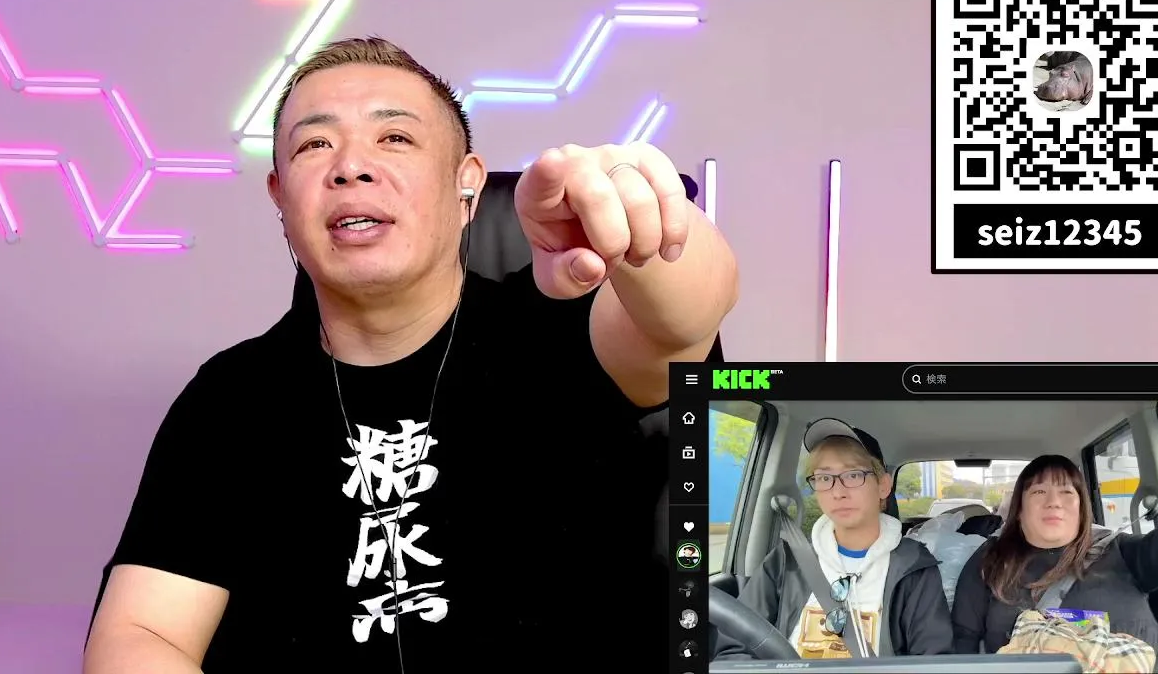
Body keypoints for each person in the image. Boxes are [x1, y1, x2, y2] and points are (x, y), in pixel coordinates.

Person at [82, 37, 738, 674]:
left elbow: (684, 319)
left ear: (466, 186)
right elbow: (139, 633)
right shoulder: (232, 398)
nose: (351, 166)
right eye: (315, 145)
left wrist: (625, 222)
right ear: (280, 197)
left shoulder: (559, 327)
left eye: (394, 137)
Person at [951, 401, 1158, 673]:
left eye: (1067, 492)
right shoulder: (990, 561)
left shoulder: (1120, 551)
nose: (1054, 502)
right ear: (1018, 510)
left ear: (1082, 508)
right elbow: (963, 645)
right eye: (1039, 492)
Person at [713, 418, 953, 660]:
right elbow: (735, 648)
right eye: (825, 478)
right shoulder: (787, 560)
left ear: (883, 485)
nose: (838, 492)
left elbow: (932, 659)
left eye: (853, 475)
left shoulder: (915, 568)